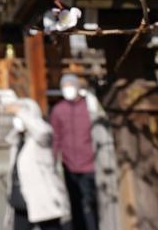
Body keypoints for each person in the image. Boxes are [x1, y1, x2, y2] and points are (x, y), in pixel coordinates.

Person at [50, 74, 120, 230]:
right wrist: (53, 161)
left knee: (90, 201)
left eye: (70, 85)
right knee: (75, 202)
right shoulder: (58, 110)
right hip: (69, 165)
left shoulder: (89, 107)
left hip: (90, 163)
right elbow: (56, 138)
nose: (68, 89)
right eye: (65, 86)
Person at [4, 98, 71, 230]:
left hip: (43, 198)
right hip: (21, 199)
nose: (17, 119)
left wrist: (20, 111)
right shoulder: (17, 140)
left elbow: (42, 131)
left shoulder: (41, 139)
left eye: (20, 115)